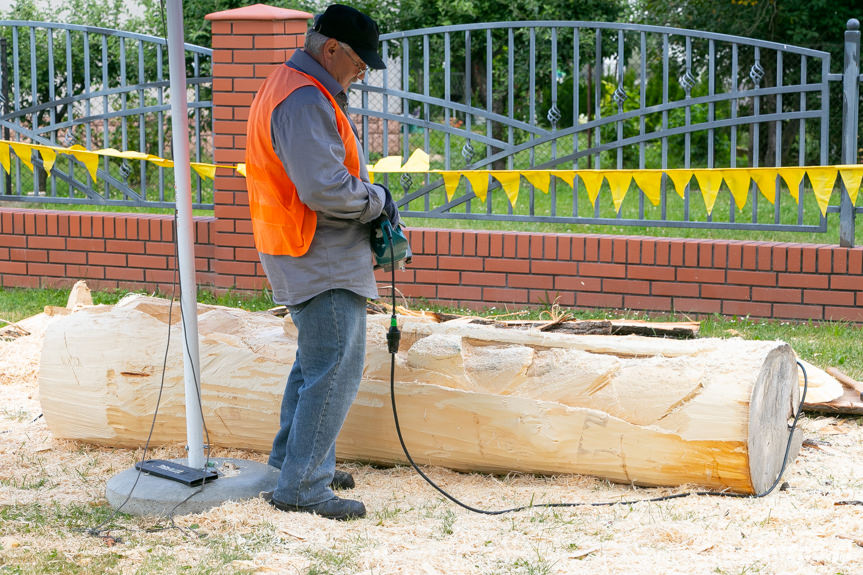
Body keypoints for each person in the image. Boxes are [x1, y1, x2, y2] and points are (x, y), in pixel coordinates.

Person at [244, 3, 399, 521]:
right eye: (359, 63)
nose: (361, 74)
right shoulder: (306, 98)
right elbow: (323, 187)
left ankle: (294, 463)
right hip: (319, 252)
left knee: (314, 365)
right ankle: (304, 487)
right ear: (331, 48)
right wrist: (376, 199)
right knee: (335, 367)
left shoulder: (287, 84)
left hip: (299, 245)